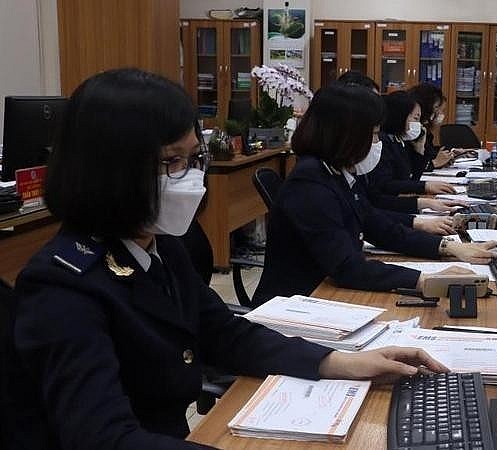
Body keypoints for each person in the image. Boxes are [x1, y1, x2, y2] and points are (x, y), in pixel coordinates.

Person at [3, 69, 449, 450]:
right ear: (109, 169)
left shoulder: (157, 245)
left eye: (193, 159)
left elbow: (227, 334)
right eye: (171, 162)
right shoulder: (63, 285)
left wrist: (341, 363)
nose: (192, 178)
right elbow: (105, 439)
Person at [253, 84, 497, 303]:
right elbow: (347, 267)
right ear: (346, 136)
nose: (377, 143)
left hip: (323, 293)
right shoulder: (309, 184)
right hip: (296, 305)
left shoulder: (333, 172)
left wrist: (448, 248)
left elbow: (377, 225)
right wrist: (427, 280)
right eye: (373, 135)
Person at [361, 91, 462, 218]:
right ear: (400, 116)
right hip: (388, 212)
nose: (419, 124)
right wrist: (424, 188)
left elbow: (412, 178)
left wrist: (419, 149)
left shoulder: (400, 141)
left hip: (394, 210)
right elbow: (385, 186)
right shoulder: (384, 141)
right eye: (415, 119)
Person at [407, 83, 453, 174]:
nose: (438, 113)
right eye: (436, 107)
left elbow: (428, 153)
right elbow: (410, 166)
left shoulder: (424, 130)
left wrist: (448, 154)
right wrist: (434, 163)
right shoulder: (411, 131)